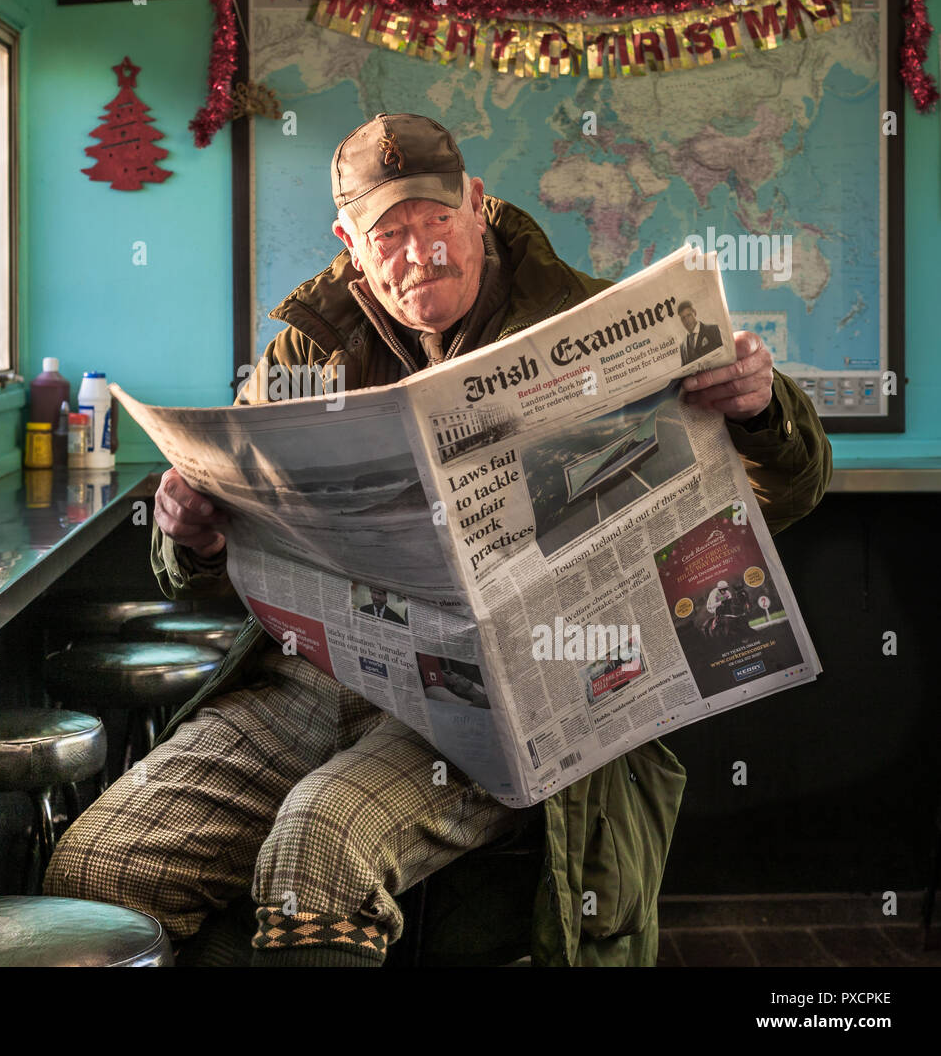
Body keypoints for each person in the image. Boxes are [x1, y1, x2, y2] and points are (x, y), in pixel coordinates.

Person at [43, 112, 833, 967]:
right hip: (307, 686)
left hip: (487, 701)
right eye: (391, 234)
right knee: (95, 869)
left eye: (438, 221)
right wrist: (187, 535)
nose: (423, 253)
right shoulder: (301, 353)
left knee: (318, 850)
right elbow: (199, 580)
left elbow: (787, 490)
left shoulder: (593, 321)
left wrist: (761, 407)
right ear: (349, 239)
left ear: (478, 205)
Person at [678, 300, 724, 367]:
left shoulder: (713, 330)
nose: (687, 320)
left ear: (695, 313)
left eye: (689, 315)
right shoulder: (682, 346)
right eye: (683, 318)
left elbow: (724, 355)